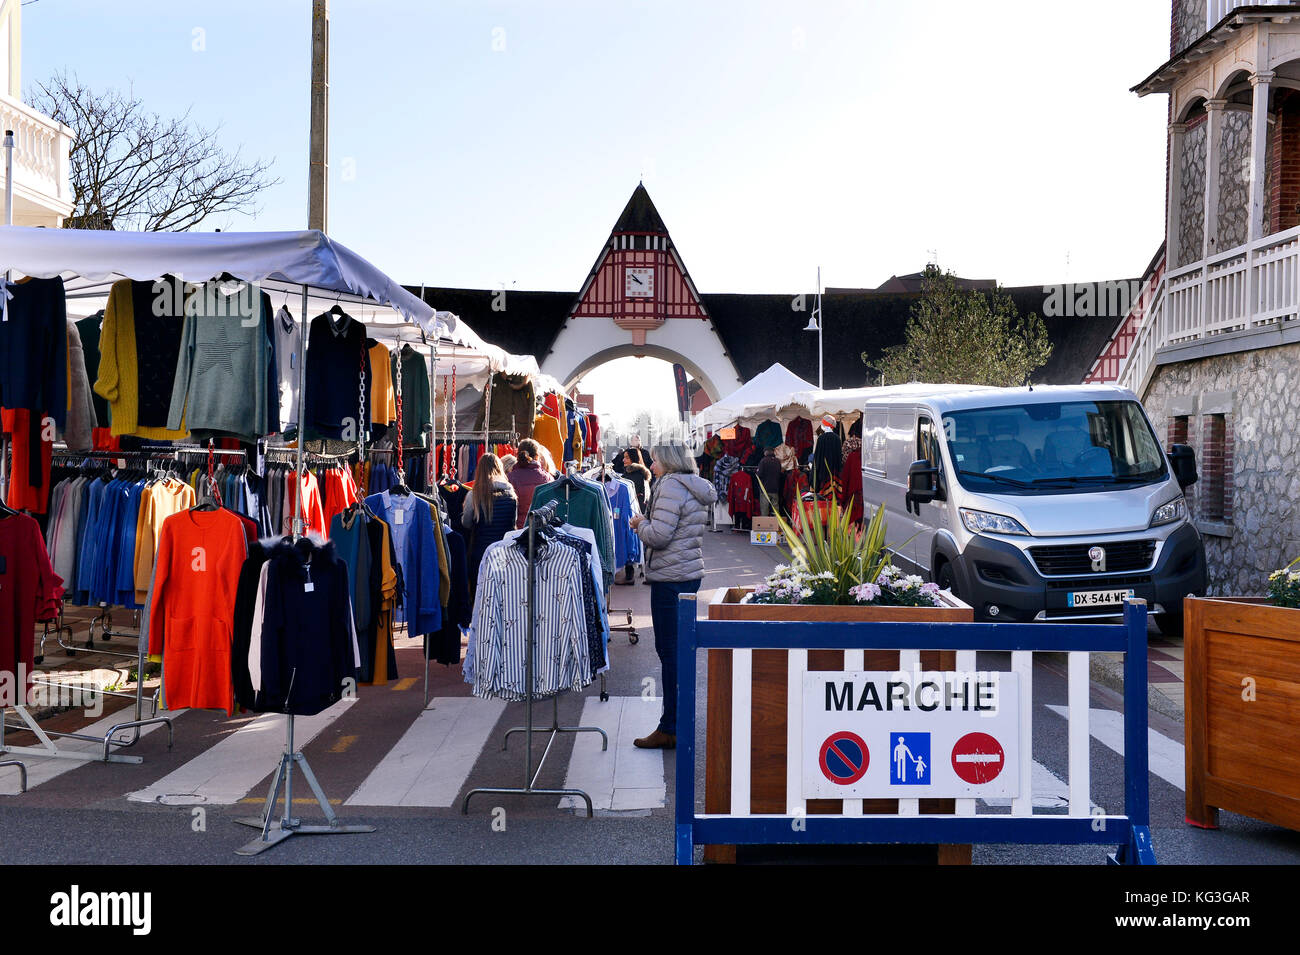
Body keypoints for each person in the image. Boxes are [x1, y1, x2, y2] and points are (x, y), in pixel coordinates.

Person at [629, 443, 717, 749]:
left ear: (667, 462)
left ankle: (671, 726)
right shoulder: (695, 486)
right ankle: (679, 722)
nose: (652, 467)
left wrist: (641, 524)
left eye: (654, 461)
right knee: (680, 651)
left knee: (669, 652)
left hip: (669, 579)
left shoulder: (669, 487)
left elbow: (659, 536)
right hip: (689, 575)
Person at [461, 453, 519, 597]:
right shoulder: (510, 493)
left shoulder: (474, 495)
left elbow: (466, 523)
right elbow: (513, 522)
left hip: (480, 553)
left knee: (480, 595)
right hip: (505, 553)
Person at [507, 438, 550, 528]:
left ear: (517, 455)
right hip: (540, 529)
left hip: (517, 529)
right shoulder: (547, 478)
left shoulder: (510, 478)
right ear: (537, 456)